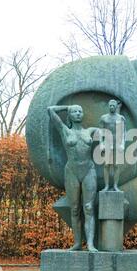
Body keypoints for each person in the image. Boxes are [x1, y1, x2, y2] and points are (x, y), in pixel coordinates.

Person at [48, 105, 98, 252]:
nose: (78, 113)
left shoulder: (90, 131)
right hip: (72, 172)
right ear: (69, 115)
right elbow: (50, 110)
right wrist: (66, 107)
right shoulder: (65, 130)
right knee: (75, 209)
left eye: (80, 111)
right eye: (74, 111)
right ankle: (77, 243)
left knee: (88, 208)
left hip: (89, 170)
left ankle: (90, 244)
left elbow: (110, 130)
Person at [99, 99, 126, 192]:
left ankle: (115, 186)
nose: (111, 107)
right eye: (110, 105)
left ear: (116, 106)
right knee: (106, 165)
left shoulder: (120, 118)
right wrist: (101, 144)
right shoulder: (104, 118)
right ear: (108, 106)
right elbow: (100, 132)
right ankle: (106, 186)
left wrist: (122, 144)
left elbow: (123, 133)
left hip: (117, 144)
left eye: (113, 106)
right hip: (107, 144)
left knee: (117, 166)